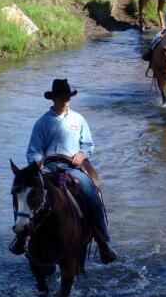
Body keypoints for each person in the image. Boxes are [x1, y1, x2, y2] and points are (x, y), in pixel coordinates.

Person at [9, 79, 117, 264]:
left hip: (73, 167)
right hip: (48, 168)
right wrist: (38, 162)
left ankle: (103, 242)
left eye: (68, 97)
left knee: (91, 193)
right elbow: (33, 150)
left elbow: (88, 144)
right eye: (62, 97)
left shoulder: (78, 119)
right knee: (25, 194)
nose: (66, 100)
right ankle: (21, 238)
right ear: (54, 99)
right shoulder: (42, 123)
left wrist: (82, 154)